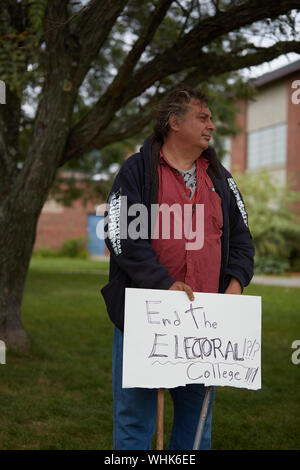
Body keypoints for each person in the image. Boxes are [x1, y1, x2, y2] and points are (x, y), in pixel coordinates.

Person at [101, 87, 254, 450]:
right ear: (174, 122)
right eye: (203, 117)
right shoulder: (137, 171)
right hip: (145, 318)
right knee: (135, 418)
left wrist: (236, 284)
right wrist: (163, 283)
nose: (212, 126)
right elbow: (121, 235)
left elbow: (242, 240)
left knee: (197, 421)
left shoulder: (221, 178)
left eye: (211, 119)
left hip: (206, 323)